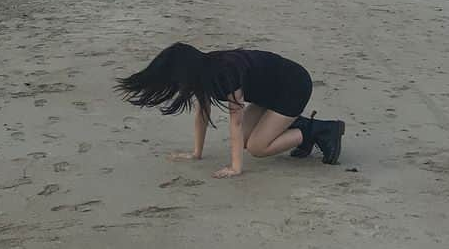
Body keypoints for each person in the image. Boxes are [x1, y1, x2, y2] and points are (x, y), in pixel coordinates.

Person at [117, 43, 345, 178]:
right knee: (245, 141)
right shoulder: (203, 73)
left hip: (293, 86)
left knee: (256, 147)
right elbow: (202, 114)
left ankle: (318, 130)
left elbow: (235, 121)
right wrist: (196, 153)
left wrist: (235, 168)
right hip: (270, 93)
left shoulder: (224, 72)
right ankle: (296, 131)